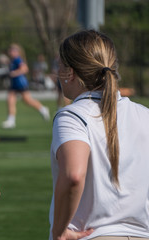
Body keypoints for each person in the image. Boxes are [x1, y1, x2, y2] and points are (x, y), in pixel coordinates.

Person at [50, 30, 149, 240]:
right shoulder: (144, 114)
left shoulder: (72, 116)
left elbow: (73, 176)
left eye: (60, 65)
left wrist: (58, 232)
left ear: (71, 73)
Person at [2, 43, 50, 129]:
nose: (10, 52)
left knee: (27, 101)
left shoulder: (18, 59)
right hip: (14, 84)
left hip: (21, 83)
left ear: (17, 52)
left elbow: (24, 69)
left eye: (12, 50)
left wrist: (14, 73)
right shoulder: (12, 60)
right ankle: (11, 121)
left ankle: (43, 109)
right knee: (10, 100)